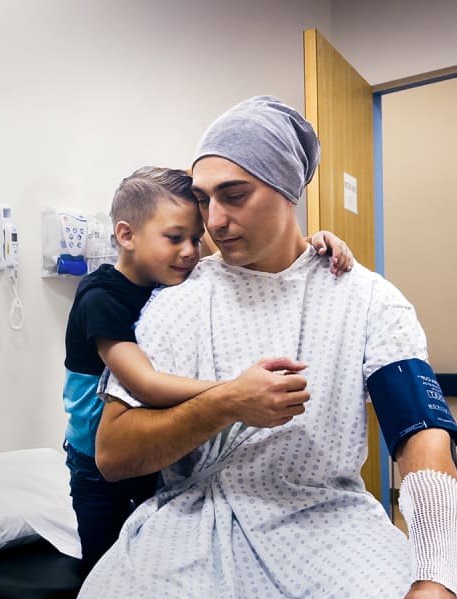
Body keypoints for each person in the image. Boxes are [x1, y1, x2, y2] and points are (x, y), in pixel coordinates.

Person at [50, 98, 457, 599]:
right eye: (205, 200)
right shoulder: (177, 304)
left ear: (289, 190)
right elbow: (112, 454)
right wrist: (227, 403)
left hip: (328, 520)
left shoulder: (367, 300)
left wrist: (435, 575)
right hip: (195, 525)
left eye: (234, 196)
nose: (214, 221)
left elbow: (423, 436)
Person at [63, 165, 353, 572]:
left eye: (195, 238)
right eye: (175, 238)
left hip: (156, 458)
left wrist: (309, 247)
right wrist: (234, 393)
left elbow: (244, 254)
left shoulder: (170, 279)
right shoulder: (100, 297)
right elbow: (144, 384)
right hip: (96, 467)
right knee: (106, 569)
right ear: (126, 235)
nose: (191, 251)